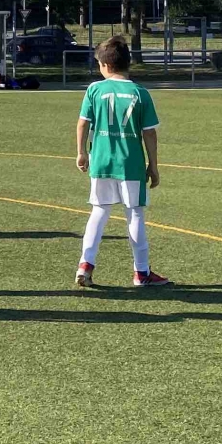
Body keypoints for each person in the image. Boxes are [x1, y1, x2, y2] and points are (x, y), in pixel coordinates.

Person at [75, 37, 170, 289]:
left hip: (101, 161)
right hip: (130, 163)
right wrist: (153, 165)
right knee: (135, 213)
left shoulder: (95, 90)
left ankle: (85, 264)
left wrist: (81, 152)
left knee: (99, 211)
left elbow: (83, 123)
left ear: (105, 65)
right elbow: (149, 132)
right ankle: (141, 272)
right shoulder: (140, 93)